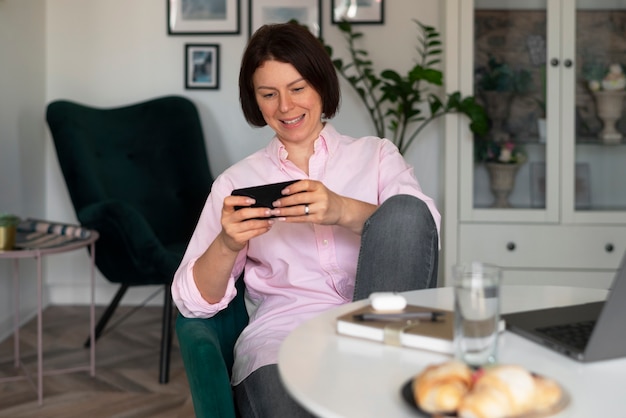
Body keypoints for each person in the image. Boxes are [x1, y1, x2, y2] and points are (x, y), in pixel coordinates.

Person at [172, 22, 441, 417]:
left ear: (320, 84)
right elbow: (191, 302)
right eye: (269, 94)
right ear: (255, 102)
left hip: (378, 333)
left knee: (404, 212)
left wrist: (342, 210)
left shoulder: (377, 156)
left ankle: (368, 378)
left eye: (297, 88)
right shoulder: (236, 183)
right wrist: (227, 244)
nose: (285, 106)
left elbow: (420, 232)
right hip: (283, 343)